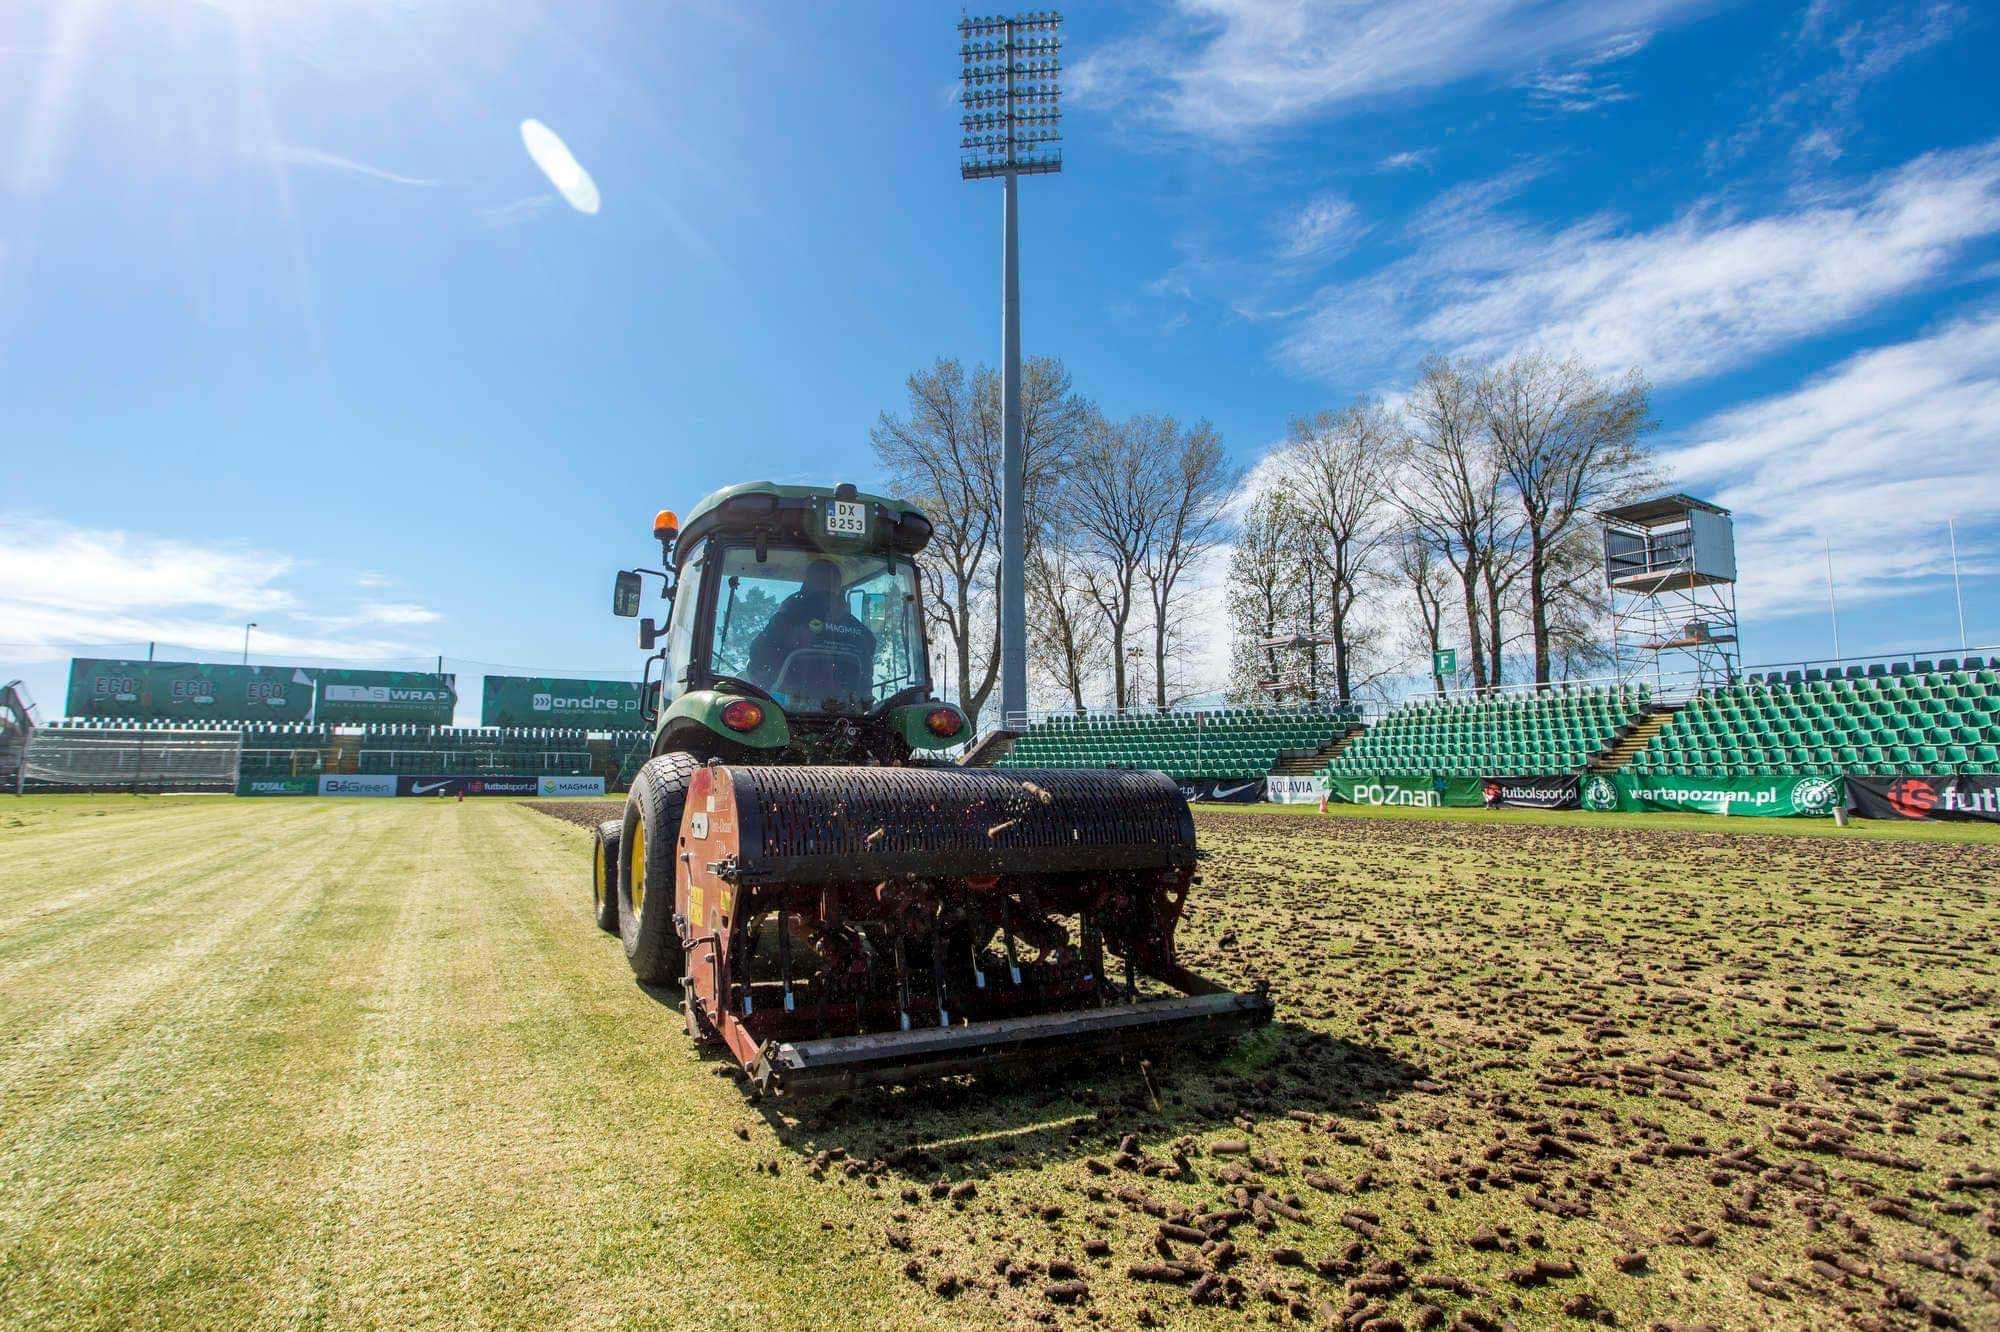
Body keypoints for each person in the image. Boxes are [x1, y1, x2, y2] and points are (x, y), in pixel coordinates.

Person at [745, 558, 876, 702]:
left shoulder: (787, 620)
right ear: (838, 588)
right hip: (848, 716)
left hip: (790, 713)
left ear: (806, 585)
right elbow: (865, 686)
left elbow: (758, 657)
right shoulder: (862, 633)